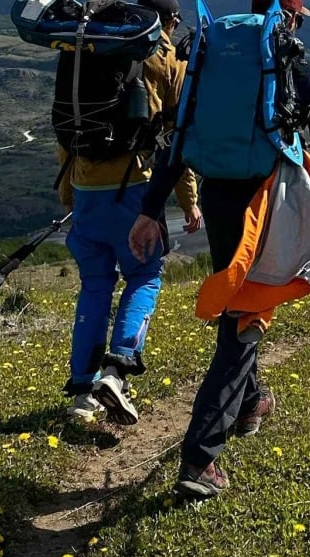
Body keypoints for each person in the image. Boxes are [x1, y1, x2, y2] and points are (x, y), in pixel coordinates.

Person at [129, 0, 310, 498]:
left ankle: (250, 403)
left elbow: (178, 134)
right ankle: (199, 458)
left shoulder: (208, 60)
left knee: (239, 301)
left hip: (219, 196)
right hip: (268, 202)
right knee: (245, 321)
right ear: (289, 18)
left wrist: (150, 208)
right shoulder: (305, 68)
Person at [60, 0, 203, 425]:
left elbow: (67, 129)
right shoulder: (166, 58)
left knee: (95, 284)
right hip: (135, 191)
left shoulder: (85, 45)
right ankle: (117, 369)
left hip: (85, 186)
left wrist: (70, 194)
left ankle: (82, 392)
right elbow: (178, 140)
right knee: (145, 274)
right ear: (169, 20)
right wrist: (189, 200)